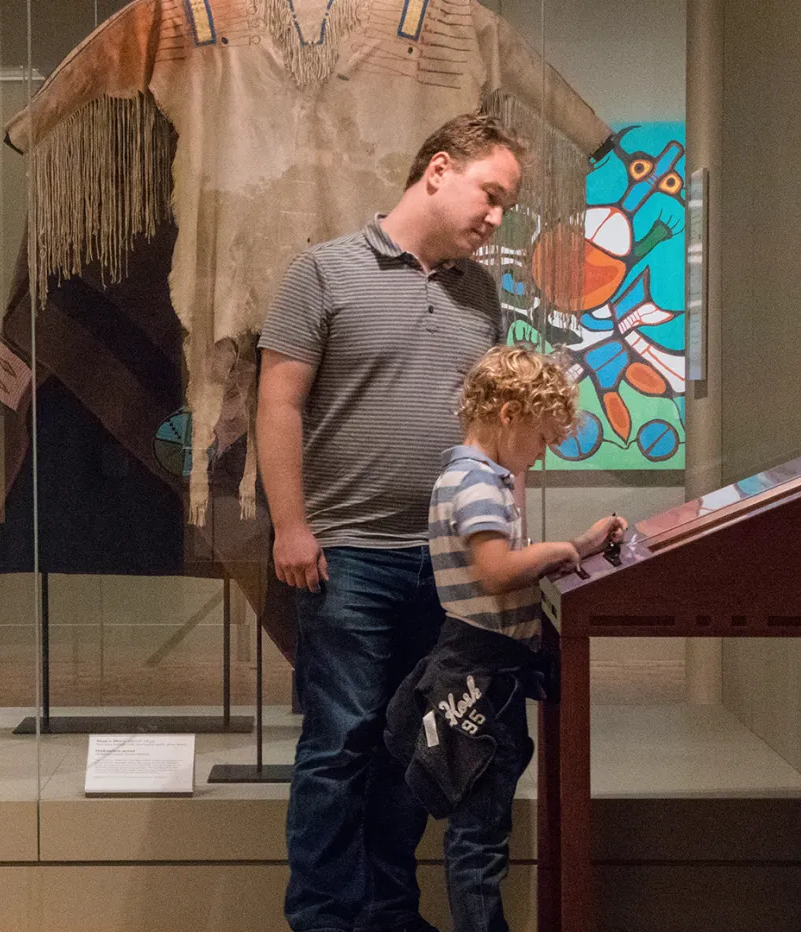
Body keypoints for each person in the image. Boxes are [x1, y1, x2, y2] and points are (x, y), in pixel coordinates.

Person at [257, 113, 527, 932]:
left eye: (505, 204)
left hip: (447, 568)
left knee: (412, 746)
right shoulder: (323, 273)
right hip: (349, 559)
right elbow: (278, 402)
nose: (495, 217)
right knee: (338, 747)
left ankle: (388, 914)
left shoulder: (480, 292)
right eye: (492, 194)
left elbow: (497, 420)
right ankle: (323, 919)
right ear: (438, 170)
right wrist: (291, 526)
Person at [384, 345, 625, 932]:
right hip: (480, 678)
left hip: (480, 668)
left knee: (480, 831)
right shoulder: (477, 484)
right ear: (511, 414)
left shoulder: (466, 475)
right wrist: (560, 552)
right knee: (478, 842)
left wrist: (585, 544)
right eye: (541, 439)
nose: (540, 456)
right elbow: (496, 570)